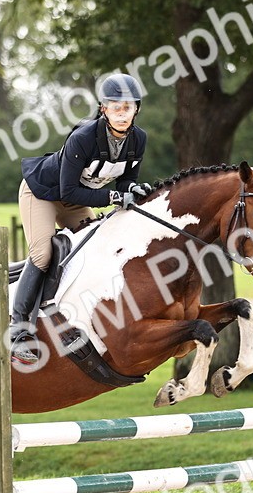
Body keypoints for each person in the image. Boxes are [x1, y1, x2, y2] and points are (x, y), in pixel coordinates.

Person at [12, 73, 152, 364]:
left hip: (79, 197)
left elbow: (126, 181)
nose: (122, 113)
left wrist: (134, 190)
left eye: (128, 107)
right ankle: (19, 329)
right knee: (43, 254)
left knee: (98, 248)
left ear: (137, 109)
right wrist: (114, 198)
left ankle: (81, 316)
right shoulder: (83, 137)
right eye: (115, 107)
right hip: (43, 193)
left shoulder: (138, 139)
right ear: (103, 109)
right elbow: (68, 189)